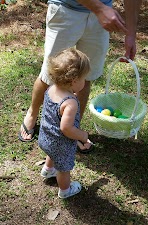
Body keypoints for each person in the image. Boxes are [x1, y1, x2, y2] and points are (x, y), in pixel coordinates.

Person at [18, 0, 142, 152]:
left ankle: (73, 128)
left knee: (85, 76)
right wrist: (100, 9)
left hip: (100, 18)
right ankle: (32, 113)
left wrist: (131, 33)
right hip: (66, 9)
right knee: (51, 75)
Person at [38, 48, 93, 198]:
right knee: (64, 168)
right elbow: (66, 128)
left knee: (53, 153)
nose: (85, 81)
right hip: (60, 144)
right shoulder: (70, 103)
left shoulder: (51, 89)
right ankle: (65, 190)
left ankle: (48, 170)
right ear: (74, 81)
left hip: (45, 137)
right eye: (84, 78)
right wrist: (82, 135)